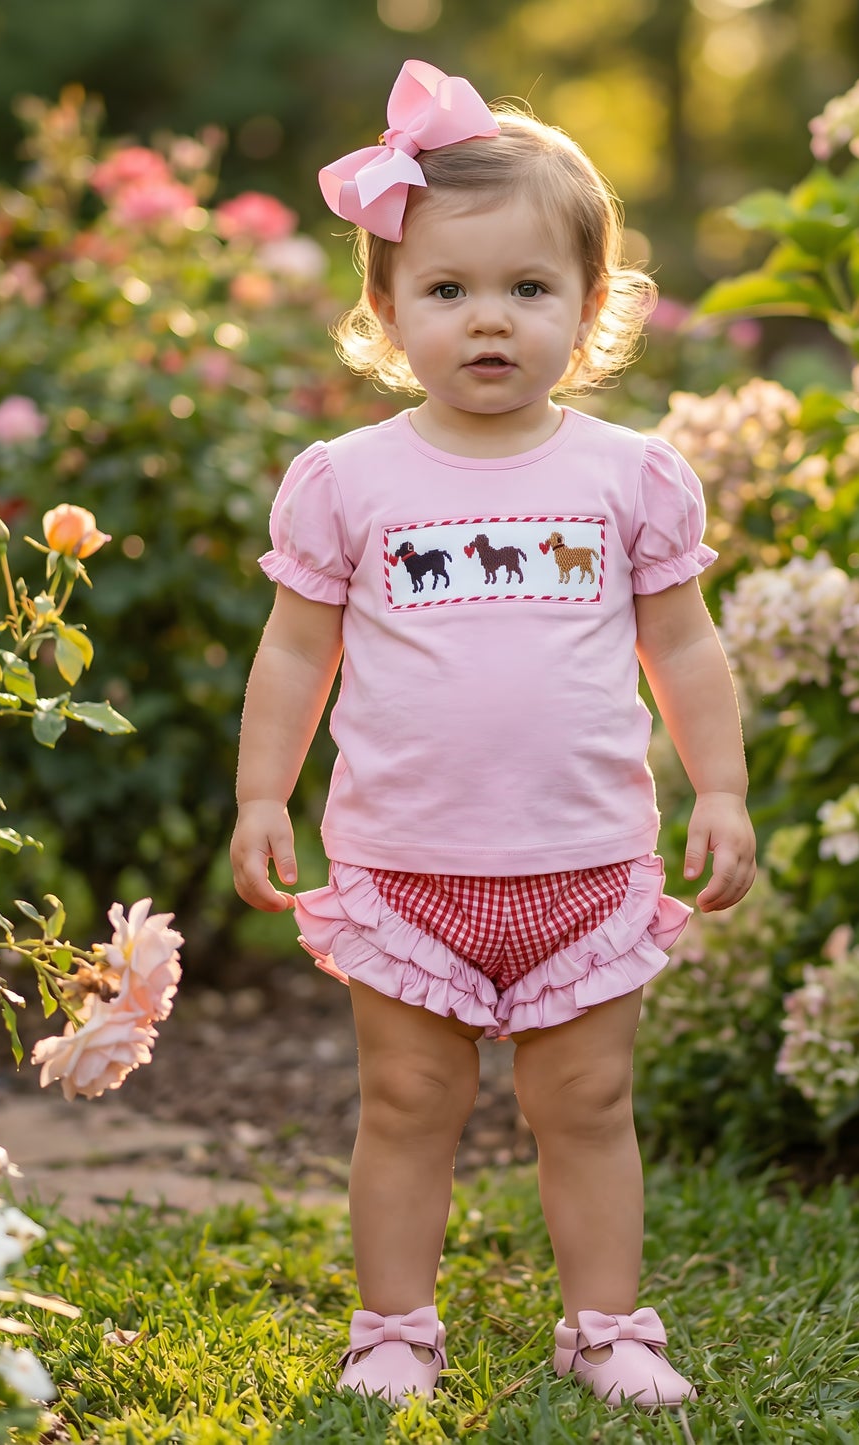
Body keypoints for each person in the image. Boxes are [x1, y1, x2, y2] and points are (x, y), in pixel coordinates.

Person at [231, 59, 755, 1410]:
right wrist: (260, 796)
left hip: (582, 863)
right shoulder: (351, 482)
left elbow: (682, 646)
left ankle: (607, 1326)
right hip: (406, 867)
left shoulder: (623, 474)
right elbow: (296, 651)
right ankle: (393, 1328)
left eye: (528, 289)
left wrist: (721, 790)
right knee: (408, 1106)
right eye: (447, 289)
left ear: (588, 309)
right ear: (386, 308)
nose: (488, 321)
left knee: (584, 1107)